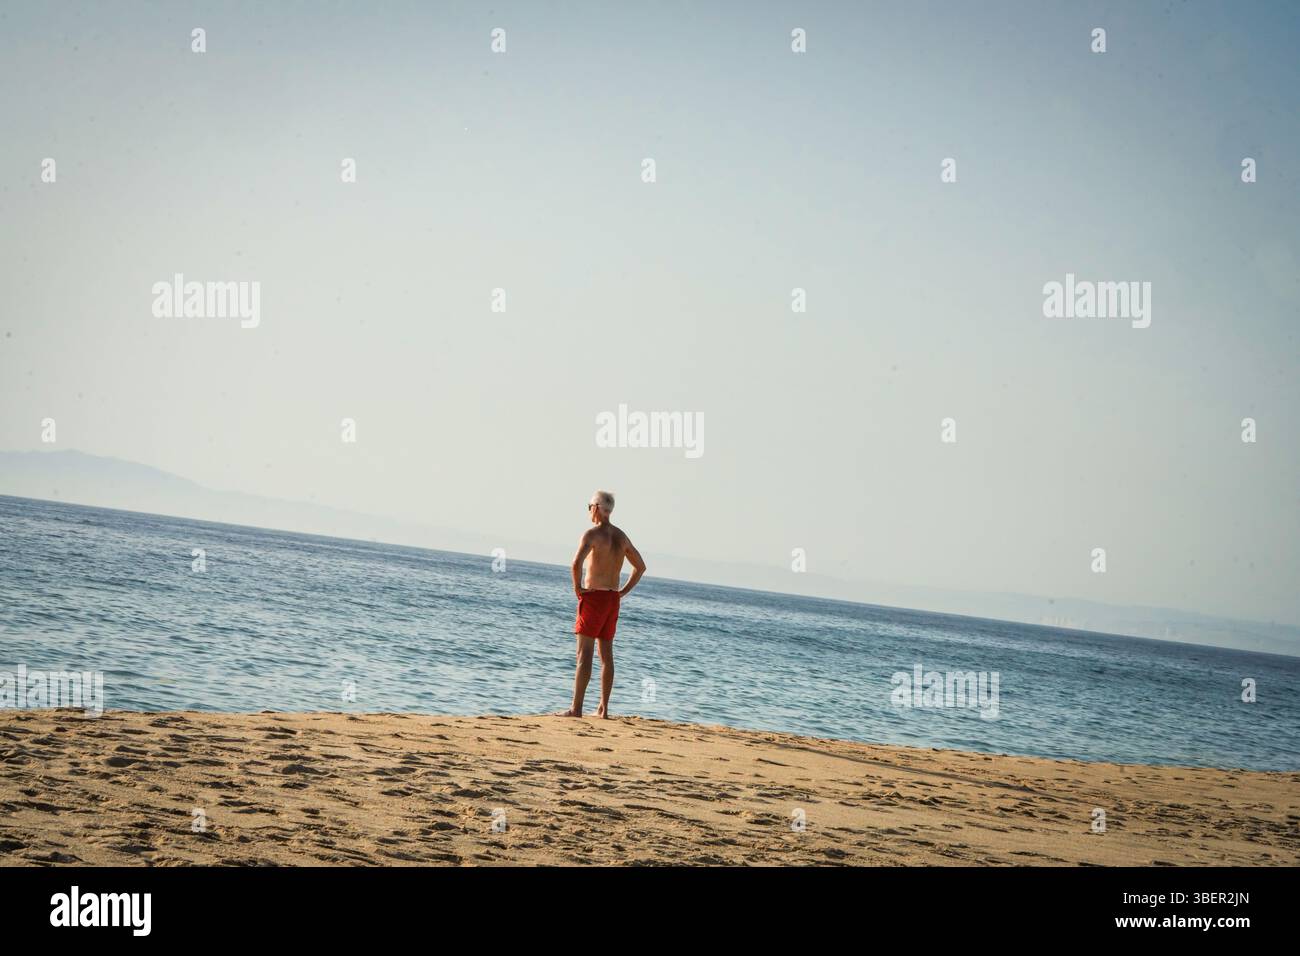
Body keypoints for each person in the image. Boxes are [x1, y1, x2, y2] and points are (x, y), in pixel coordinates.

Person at [561, 490, 646, 718]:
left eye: (589, 506)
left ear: (596, 508)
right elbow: (640, 567)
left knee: (584, 654)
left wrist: (577, 588)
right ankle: (604, 708)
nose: (588, 510)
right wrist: (622, 592)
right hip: (611, 600)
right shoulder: (621, 537)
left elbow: (576, 563)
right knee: (606, 655)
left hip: (594, 597)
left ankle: (576, 708)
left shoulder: (592, 535)